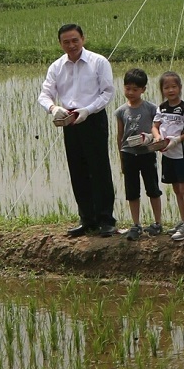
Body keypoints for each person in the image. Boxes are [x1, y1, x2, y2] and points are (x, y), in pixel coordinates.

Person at [38, 24, 116, 237]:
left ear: (83, 38)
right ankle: (87, 219)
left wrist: (88, 110)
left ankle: (105, 220)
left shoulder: (98, 62)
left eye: (75, 40)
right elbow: (44, 94)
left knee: (99, 169)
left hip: (92, 118)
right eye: (66, 42)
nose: (71, 45)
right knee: (78, 170)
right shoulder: (56, 66)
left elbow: (107, 92)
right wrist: (54, 108)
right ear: (60, 43)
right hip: (69, 120)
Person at [115, 68, 163, 241]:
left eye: (135, 89)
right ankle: (136, 224)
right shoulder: (121, 111)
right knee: (132, 191)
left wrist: (151, 139)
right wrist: (120, 157)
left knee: (153, 189)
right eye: (127, 88)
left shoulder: (151, 108)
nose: (131, 92)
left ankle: (157, 222)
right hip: (129, 153)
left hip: (147, 153)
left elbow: (158, 128)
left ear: (143, 89)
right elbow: (120, 136)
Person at [151, 71, 184, 242]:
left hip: (182, 155)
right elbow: (155, 126)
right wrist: (157, 138)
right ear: (162, 90)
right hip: (168, 155)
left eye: (173, 87)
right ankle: (182, 221)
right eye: (166, 87)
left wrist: (177, 140)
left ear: (179, 88)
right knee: (176, 189)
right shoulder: (161, 107)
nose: (170, 90)